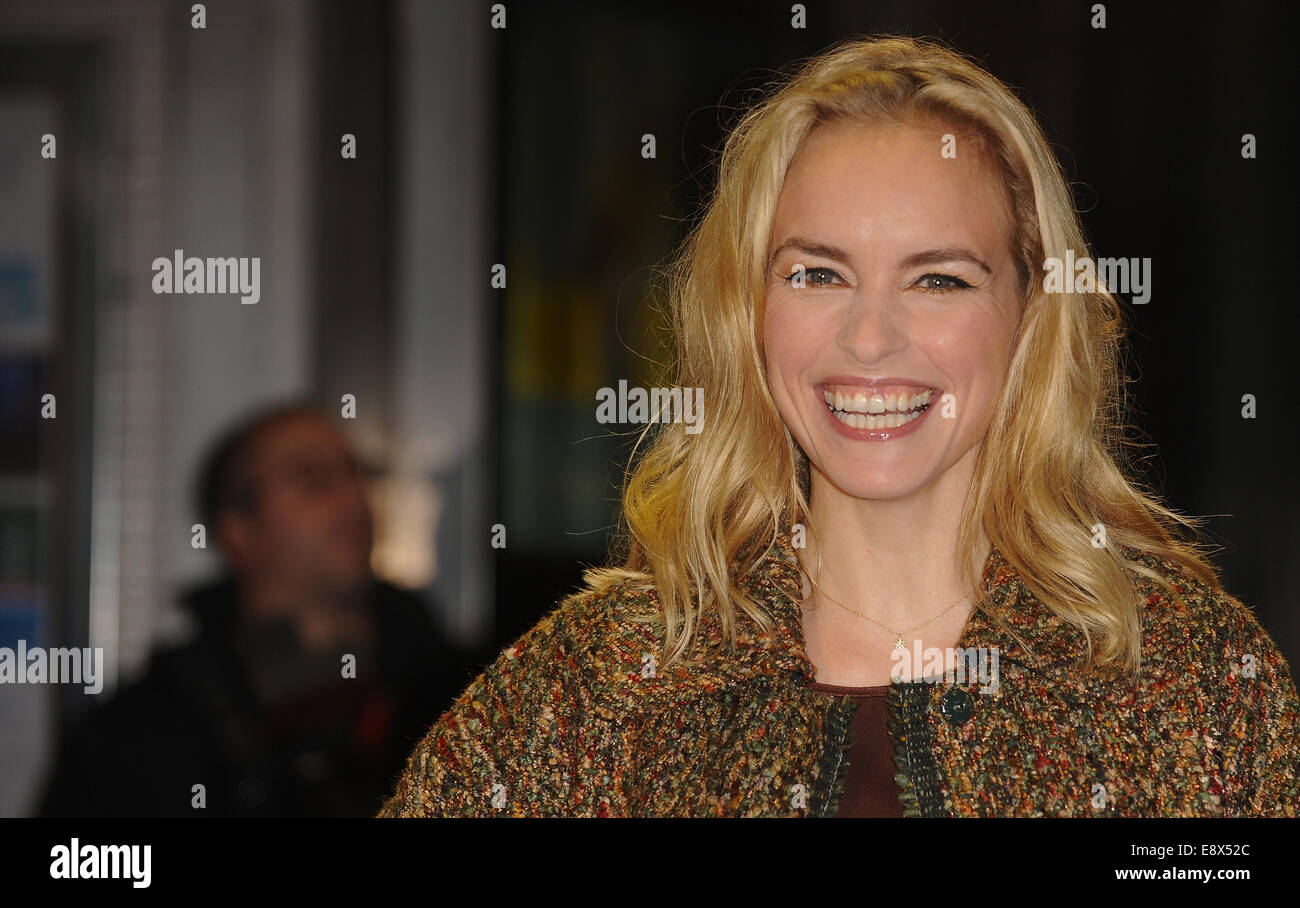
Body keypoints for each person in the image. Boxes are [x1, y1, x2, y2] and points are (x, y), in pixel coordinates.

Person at [378, 35, 1300, 817]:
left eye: (939, 278)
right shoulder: (609, 678)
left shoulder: (1188, 678)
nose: (869, 337)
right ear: (748, 309)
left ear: (1033, 312)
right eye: (817, 274)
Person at [38, 402, 475, 816]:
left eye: (356, 473)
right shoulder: (144, 736)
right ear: (238, 534)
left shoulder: (465, 699)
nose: (352, 495)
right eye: (314, 478)